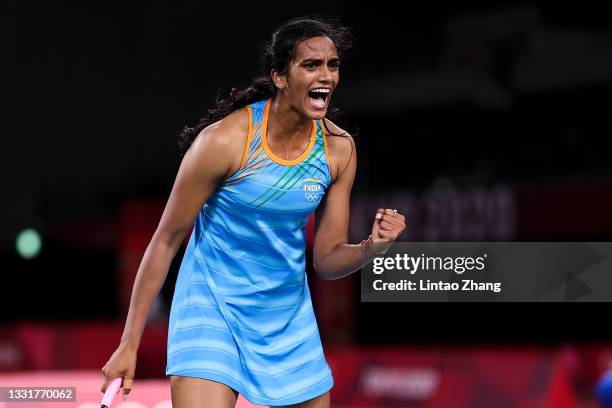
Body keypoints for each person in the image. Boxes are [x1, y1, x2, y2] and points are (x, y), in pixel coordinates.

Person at [100, 15, 405, 408]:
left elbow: (326, 259)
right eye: (311, 65)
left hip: (286, 315)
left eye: (332, 64)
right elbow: (165, 241)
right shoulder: (225, 141)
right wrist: (129, 345)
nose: (326, 75)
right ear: (280, 76)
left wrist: (372, 247)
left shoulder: (338, 150)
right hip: (211, 306)